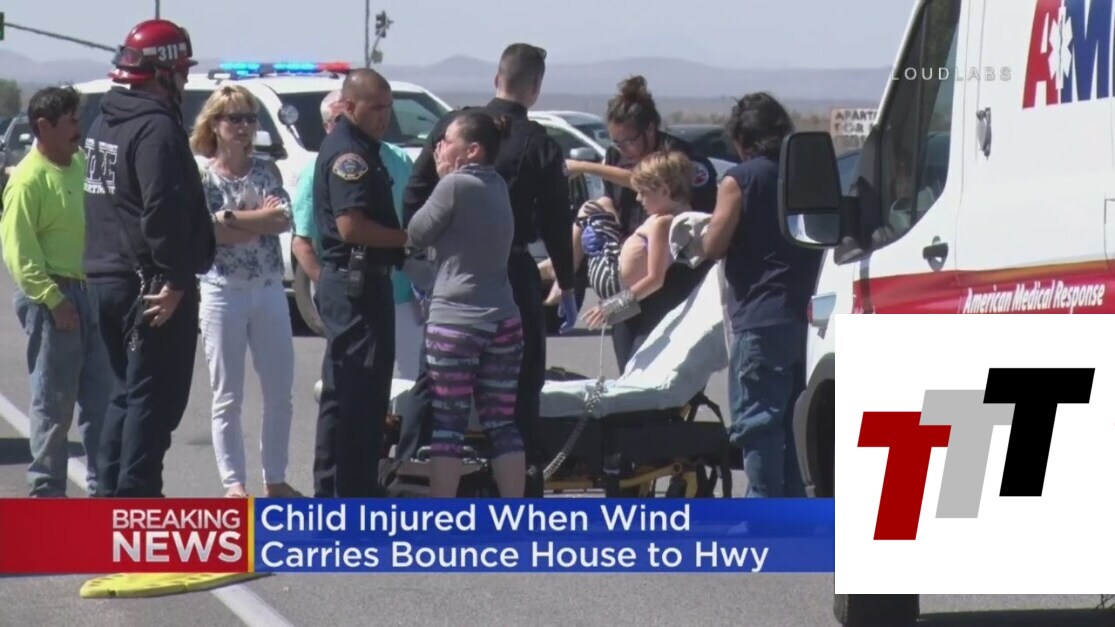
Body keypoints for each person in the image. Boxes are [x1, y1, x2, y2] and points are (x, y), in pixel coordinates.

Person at [402, 43, 578, 497]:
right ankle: (522, 495)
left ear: (496, 78)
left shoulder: (454, 128)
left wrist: (419, 259)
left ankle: (407, 475)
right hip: (511, 277)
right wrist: (566, 281)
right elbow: (557, 221)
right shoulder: (539, 143)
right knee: (515, 400)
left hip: (453, 282)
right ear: (535, 88)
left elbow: (415, 197)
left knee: (439, 400)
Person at [82, 19, 217, 498]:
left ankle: (111, 499)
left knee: (127, 394)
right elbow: (161, 208)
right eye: (181, 72)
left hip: (107, 279)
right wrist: (176, 280)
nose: (184, 81)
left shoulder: (104, 121)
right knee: (154, 400)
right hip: (151, 287)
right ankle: (136, 501)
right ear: (163, 74)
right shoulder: (156, 128)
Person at [700, 92, 823, 498]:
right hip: (807, 315)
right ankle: (793, 510)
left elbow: (714, 245)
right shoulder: (806, 174)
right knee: (794, 423)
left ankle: (762, 511)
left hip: (760, 317)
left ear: (742, 139)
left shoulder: (739, 180)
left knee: (758, 423)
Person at [189, 85, 301, 498]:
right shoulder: (203, 176)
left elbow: (282, 220)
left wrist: (233, 218)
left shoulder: (266, 170)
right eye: (234, 118)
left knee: (279, 392)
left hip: (268, 290)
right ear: (214, 124)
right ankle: (234, 484)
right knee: (227, 395)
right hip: (222, 292)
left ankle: (276, 478)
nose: (244, 127)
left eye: (250, 118)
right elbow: (210, 232)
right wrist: (255, 220)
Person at [406, 111, 525, 498]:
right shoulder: (499, 185)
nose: (439, 147)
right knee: (501, 423)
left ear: (472, 150)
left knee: (449, 426)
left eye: (447, 141)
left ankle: (442, 517)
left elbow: (416, 232)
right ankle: (515, 513)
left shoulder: (455, 185)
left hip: (455, 322)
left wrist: (442, 178)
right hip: (504, 319)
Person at [564, 75, 719, 371]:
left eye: (629, 140)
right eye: (616, 141)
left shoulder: (677, 158)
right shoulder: (615, 156)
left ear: (649, 130)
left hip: (671, 281)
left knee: (658, 366)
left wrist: (585, 167)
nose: (623, 148)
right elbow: (614, 198)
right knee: (629, 365)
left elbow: (657, 276)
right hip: (628, 277)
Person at [0, 86, 110, 497]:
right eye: (71, 121)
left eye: (79, 119)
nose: (79, 128)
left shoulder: (81, 165)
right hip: (54, 299)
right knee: (54, 404)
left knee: (102, 402)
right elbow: (19, 253)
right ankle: (47, 493)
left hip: (93, 291)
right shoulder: (27, 180)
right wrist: (53, 300)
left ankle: (104, 490)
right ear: (44, 127)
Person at [313, 68, 408, 498]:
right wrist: (409, 238)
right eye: (376, 108)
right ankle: (352, 497)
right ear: (350, 107)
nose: (384, 116)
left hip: (358, 282)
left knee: (346, 393)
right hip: (357, 284)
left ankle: (334, 493)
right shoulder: (350, 154)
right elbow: (351, 227)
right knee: (360, 396)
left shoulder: (361, 146)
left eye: (389, 107)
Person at [291, 90, 424, 380]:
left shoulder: (398, 158)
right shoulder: (319, 167)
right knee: (356, 379)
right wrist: (329, 285)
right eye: (339, 120)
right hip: (354, 293)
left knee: (412, 379)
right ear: (327, 126)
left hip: (402, 291)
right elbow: (302, 242)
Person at [579, 150, 695, 330]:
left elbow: (655, 279)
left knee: (591, 211)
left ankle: (553, 272)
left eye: (643, 192)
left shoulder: (663, 223)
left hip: (628, 291)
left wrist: (613, 306)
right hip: (630, 293)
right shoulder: (674, 215)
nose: (638, 198)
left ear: (664, 190)